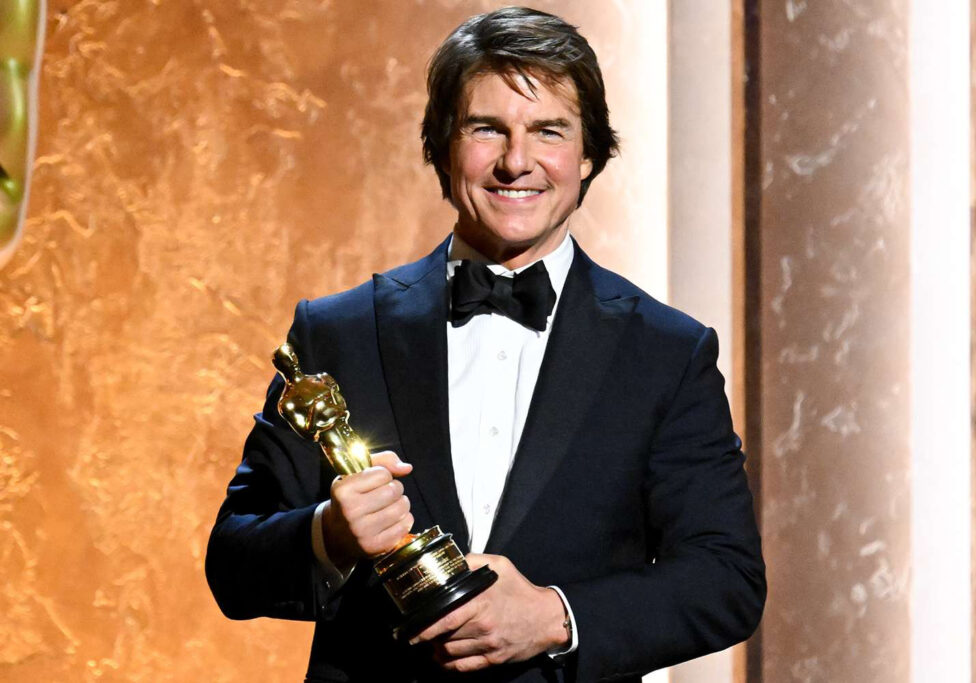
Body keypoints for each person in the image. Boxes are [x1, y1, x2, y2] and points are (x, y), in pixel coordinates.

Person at [206, 7, 765, 682]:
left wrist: (557, 616)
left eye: (548, 131)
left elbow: (725, 577)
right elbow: (232, 565)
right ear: (443, 145)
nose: (516, 161)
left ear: (588, 153)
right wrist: (329, 533)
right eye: (487, 129)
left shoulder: (667, 354)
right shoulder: (338, 334)